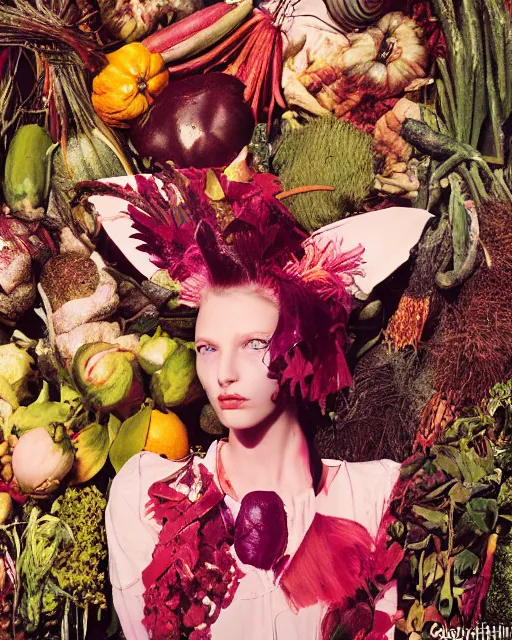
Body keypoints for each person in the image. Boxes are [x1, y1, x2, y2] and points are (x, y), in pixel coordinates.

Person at [104, 170, 405, 640]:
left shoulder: (375, 496)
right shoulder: (144, 498)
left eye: (254, 344)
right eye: (207, 348)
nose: (224, 372)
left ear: (300, 348)